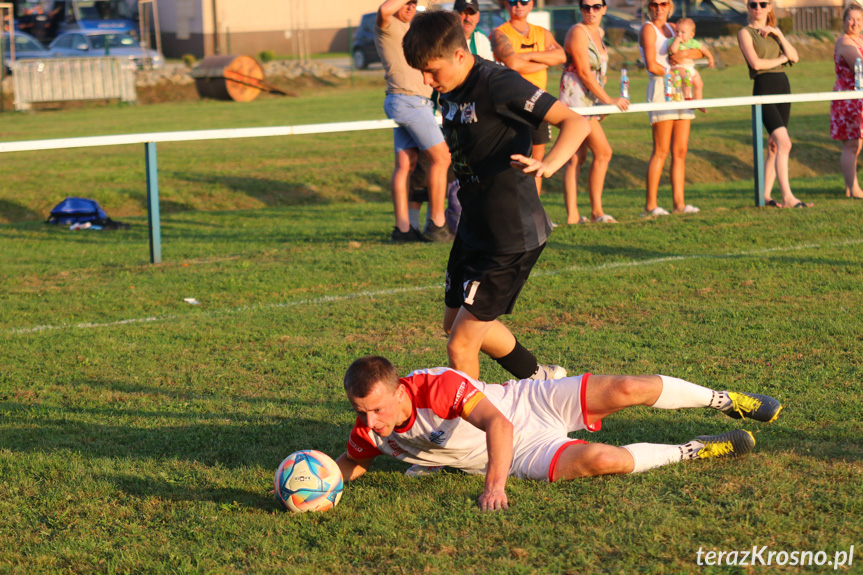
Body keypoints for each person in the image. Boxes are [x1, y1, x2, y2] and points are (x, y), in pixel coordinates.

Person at [402, 11, 590, 382]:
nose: (426, 81)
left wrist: (548, 164)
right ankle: (538, 377)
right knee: (453, 323)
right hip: (475, 226)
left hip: (510, 233)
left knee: (461, 344)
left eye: (432, 71)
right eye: (420, 72)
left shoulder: (498, 83)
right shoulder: (449, 87)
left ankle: (475, 430)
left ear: (459, 55)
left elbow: (575, 122)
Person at [335, 356, 783, 511]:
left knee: (629, 387)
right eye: (361, 412)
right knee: (605, 460)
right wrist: (317, 482)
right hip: (525, 452)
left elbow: (499, 424)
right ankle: (692, 451)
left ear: (399, 392)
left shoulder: (439, 386)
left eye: (376, 409)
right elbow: (350, 464)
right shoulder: (369, 429)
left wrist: (495, 487)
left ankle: (723, 400)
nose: (370, 421)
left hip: (524, 405)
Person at [374, 0, 454, 242]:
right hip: (407, 101)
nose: (410, 6)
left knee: (405, 164)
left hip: (414, 102)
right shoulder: (388, 25)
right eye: (405, 2)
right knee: (442, 157)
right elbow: (384, 10)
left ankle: (404, 229)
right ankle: (437, 224)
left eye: (413, 3)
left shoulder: (413, 28)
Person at [559, 0, 629, 225]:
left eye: (596, 6)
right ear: (580, 9)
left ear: (604, 9)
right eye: (586, 7)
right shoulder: (578, 32)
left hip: (590, 98)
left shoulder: (598, 31)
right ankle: (594, 212)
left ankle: (576, 215)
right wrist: (608, 100)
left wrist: (602, 102)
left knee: (578, 157)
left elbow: (599, 73)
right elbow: (584, 72)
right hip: (577, 99)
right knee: (602, 152)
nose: (591, 11)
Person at [737, 0, 811, 208]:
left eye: (763, 3)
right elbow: (756, 64)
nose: (758, 8)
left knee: (774, 146)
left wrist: (778, 34)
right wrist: (781, 59)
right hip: (764, 90)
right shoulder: (745, 32)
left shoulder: (775, 32)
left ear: (770, 7)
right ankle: (788, 197)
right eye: (753, 4)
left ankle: (766, 197)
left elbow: (794, 57)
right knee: (784, 143)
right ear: (748, 7)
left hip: (783, 89)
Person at [491, 0, 566, 196]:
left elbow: (561, 56)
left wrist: (526, 56)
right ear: (506, 5)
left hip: (539, 103)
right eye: (513, 1)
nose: (519, 4)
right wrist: (543, 62)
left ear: (531, 4)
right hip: (513, 104)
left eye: (524, 0)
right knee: (514, 159)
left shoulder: (542, 33)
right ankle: (514, 209)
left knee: (538, 159)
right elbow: (513, 63)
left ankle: (535, 210)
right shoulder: (500, 33)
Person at [639, 0, 703, 217]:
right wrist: (673, 73)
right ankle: (650, 206)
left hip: (680, 88)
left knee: (680, 151)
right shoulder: (648, 29)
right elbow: (651, 64)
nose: (659, 7)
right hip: (661, 87)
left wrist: (684, 56)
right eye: (654, 4)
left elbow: (699, 51)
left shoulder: (674, 27)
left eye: (663, 3)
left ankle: (679, 204)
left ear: (670, 5)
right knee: (661, 150)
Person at [831, 4, 863, 200]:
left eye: (859, 20)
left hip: (858, 98)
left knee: (857, 145)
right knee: (851, 145)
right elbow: (859, 66)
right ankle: (854, 189)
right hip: (848, 99)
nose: (855, 23)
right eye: (851, 19)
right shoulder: (845, 43)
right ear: (843, 22)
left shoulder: (858, 39)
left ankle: (850, 186)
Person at [667, 17, 715, 103]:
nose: (679, 34)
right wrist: (677, 40)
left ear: (691, 35)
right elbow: (673, 50)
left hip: (690, 67)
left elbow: (703, 49)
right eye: (677, 31)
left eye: (683, 32)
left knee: (699, 84)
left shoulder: (692, 42)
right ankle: (688, 99)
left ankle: (699, 102)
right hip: (678, 67)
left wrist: (710, 58)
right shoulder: (672, 41)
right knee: (687, 80)